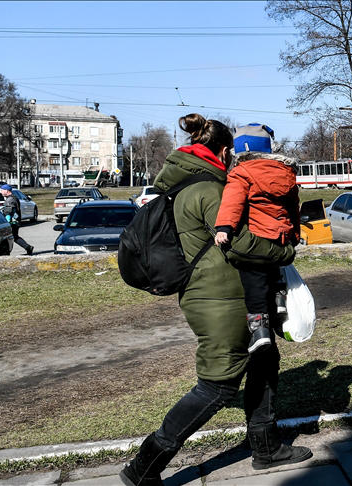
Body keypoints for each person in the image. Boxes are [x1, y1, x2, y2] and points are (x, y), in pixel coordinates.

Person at [119, 114, 311, 486]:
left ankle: (267, 447)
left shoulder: (189, 183)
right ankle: (143, 467)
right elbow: (239, 243)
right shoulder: (209, 189)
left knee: (263, 359)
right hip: (220, 299)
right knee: (217, 385)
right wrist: (284, 254)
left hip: (226, 294)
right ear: (224, 151)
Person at [214, 123, 299, 354]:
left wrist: (224, 228)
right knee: (274, 270)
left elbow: (233, 202)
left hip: (258, 235)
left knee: (253, 279)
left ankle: (259, 330)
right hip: (280, 238)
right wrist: (295, 234)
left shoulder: (241, 173)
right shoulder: (286, 173)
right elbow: (293, 209)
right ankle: (279, 301)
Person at [0, 184, 34, 255]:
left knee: (7, 238)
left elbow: (8, 212)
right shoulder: (13, 198)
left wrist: (7, 222)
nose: (1, 192)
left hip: (12, 222)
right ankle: (28, 247)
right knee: (14, 236)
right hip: (15, 221)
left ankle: (5, 253)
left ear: (7, 191)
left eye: (2, 190)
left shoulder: (10, 200)